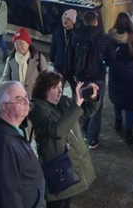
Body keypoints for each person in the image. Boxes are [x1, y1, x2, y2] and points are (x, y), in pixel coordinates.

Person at [30, 72, 100, 208]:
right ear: (44, 89)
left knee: (66, 201)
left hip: (69, 164)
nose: (60, 91)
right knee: (57, 202)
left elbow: (87, 112)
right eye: (55, 87)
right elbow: (57, 130)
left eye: (61, 87)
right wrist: (76, 105)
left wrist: (93, 97)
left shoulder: (63, 102)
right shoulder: (38, 110)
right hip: (57, 168)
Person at [0, 81, 44, 208]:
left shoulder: (14, 128)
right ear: (4, 107)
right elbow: (8, 193)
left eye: (26, 96)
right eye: (19, 99)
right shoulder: (2, 144)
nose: (26, 102)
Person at [64, 10, 114, 149]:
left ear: (84, 21)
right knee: (96, 107)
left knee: (79, 104)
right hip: (98, 78)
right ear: (96, 21)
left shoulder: (74, 36)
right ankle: (92, 138)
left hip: (78, 77)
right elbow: (110, 60)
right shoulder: (104, 37)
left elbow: (69, 57)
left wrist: (71, 75)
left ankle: (82, 131)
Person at [107, 12, 133, 144]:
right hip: (131, 76)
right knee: (129, 106)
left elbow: (107, 57)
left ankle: (118, 123)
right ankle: (129, 133)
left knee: (117, 100)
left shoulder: (111, 36)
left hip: (115, 74)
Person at [2, 28, 48, 97]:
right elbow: (5, 78)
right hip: (17, 97)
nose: (19, 47)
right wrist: (11, 89)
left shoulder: (39, 58)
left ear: (28, 43)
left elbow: (46, 77)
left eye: (22, 43)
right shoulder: (11, 59)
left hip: (35, 96)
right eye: (17, 44)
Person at [50, 9, 76, 75]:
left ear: (73, 21)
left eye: (68, 19)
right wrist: (51, 59)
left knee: (75, 85)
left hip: (71, 67)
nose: (65, 20)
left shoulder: (76, 34)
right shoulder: (58, 32)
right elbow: (53, 46)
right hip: (59, 65)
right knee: (57, 84)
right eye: (63, 18)